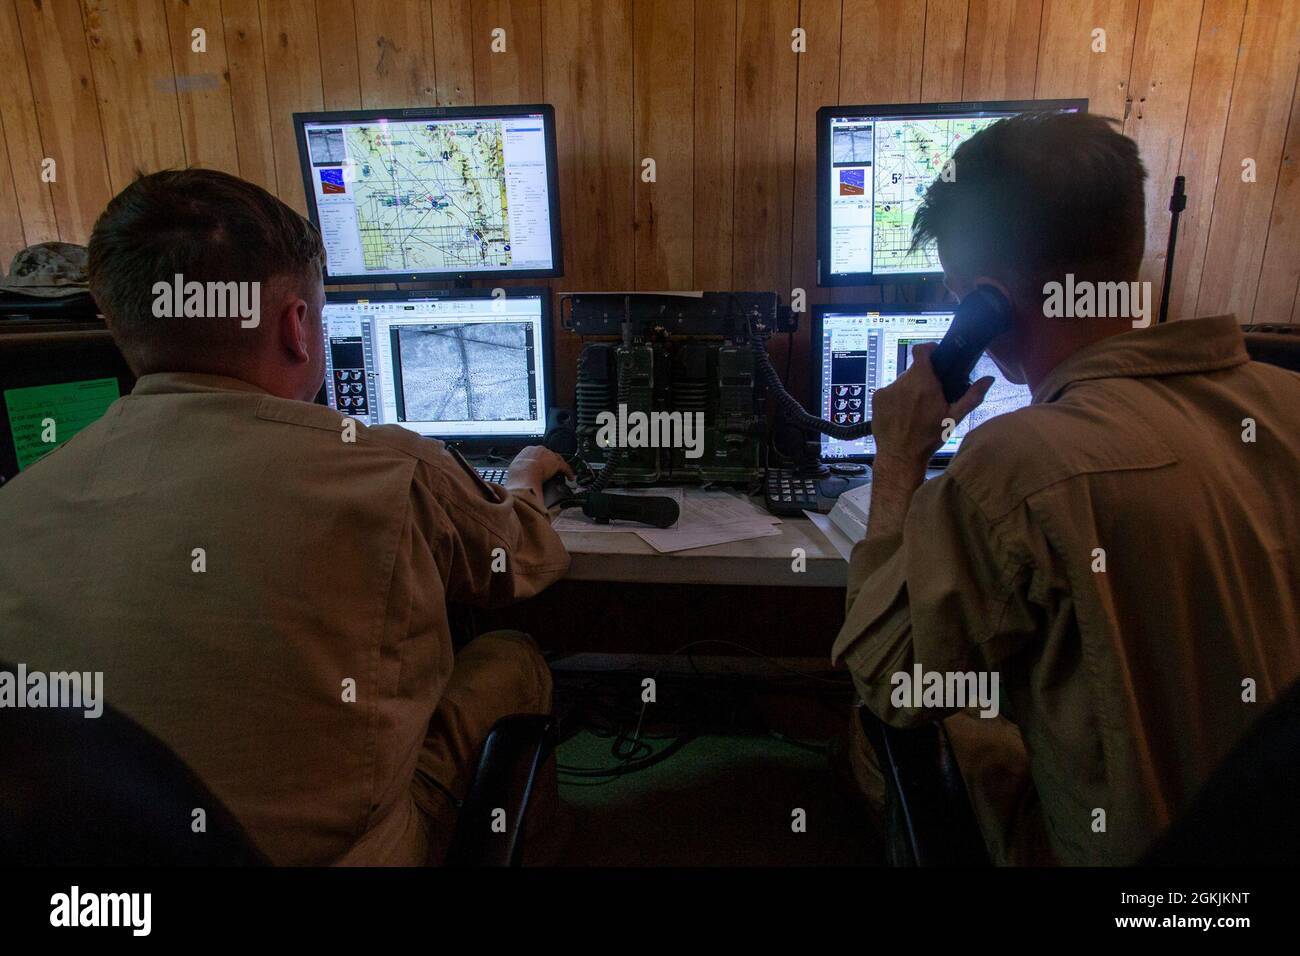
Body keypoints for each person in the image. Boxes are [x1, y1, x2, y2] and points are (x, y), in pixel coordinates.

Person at [0, 169, 573, 865]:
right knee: (510, 657)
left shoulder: (19, 504)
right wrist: (524, 476)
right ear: (299, 328)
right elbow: (527, 560)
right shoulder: (393, 470)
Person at [835, 112, 1300, 865]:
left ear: (987, 309)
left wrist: (897, 461)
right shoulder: (1286, 404)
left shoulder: (1014, 467)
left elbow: (886, 678)